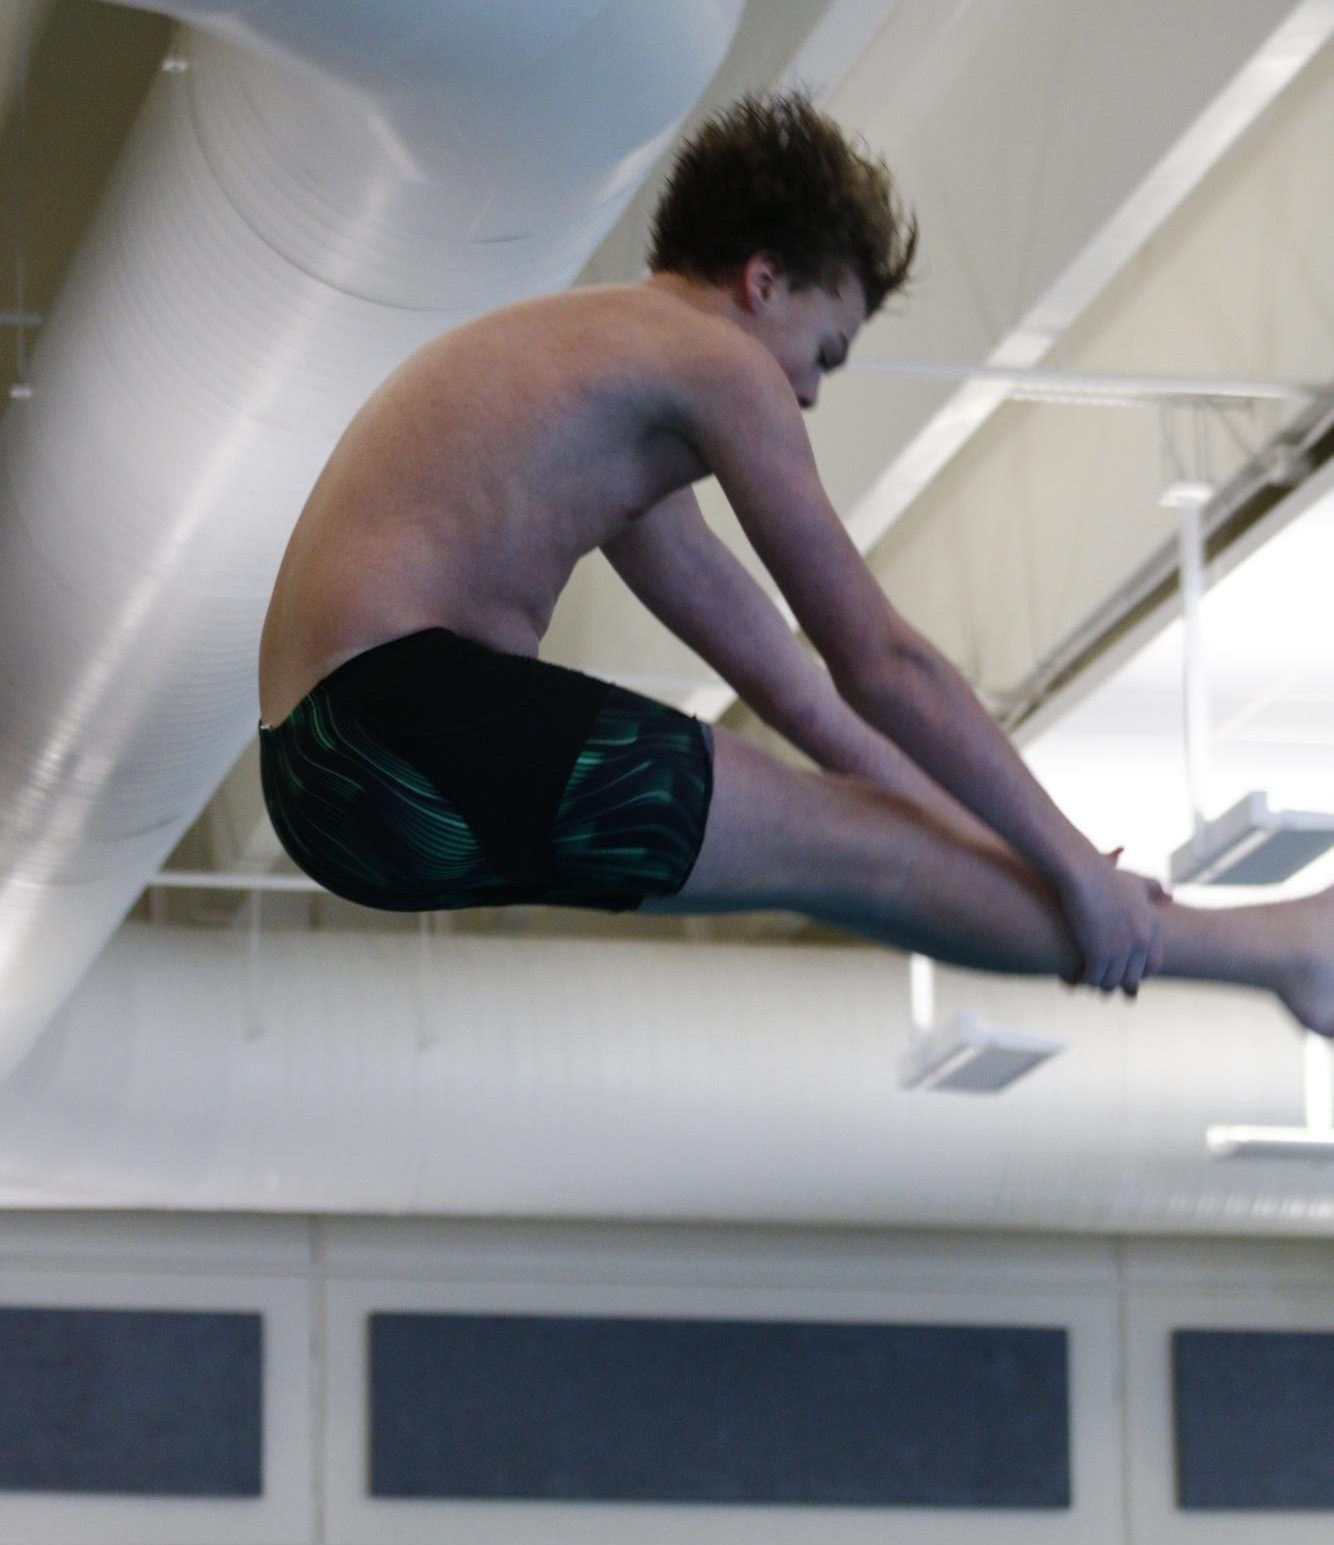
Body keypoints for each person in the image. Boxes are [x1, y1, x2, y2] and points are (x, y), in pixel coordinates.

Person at [258, 89, 1333, 1035]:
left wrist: (1041, 862)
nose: (810, 394)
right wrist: (1066, 866)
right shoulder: (713, 359)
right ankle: (1285, 947)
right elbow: (882, 665)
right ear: (762, 280)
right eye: (824, 353)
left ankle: (1263, 946)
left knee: (872, 855)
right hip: (399, 730)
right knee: (871, 859)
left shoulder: (596, 404)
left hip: (336, 794)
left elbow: (807, 704)